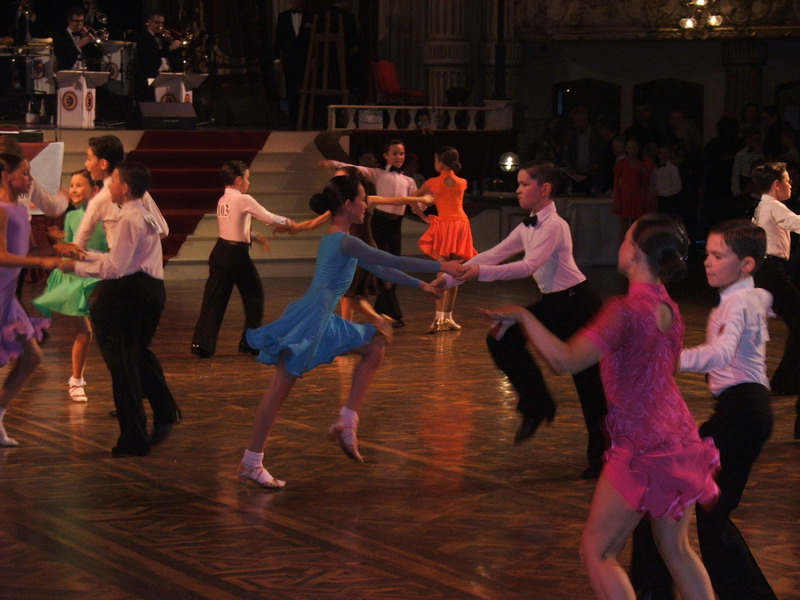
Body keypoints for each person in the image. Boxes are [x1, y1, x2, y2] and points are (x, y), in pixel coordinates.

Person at [481, 213, 719, 600]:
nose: (620, 245)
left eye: (626, 239)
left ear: (636, 252)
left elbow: (564, 361)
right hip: (681, 436)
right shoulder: (670, 308)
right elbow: (666, 367)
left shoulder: (624, 310)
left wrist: (523, 316)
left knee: (598, 551)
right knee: (677, 550)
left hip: (643, 445)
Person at [237, 175, 466, 489]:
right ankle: (251, 461)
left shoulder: (342, 239)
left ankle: (347, 421)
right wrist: (442, 266)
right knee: (278, 391)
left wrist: (421, 285)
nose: (366, 205)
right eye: (362, 199)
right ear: (348, 204)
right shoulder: (345, 240)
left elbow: (381, 268)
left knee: (373, 348)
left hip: (321, 315)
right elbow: (390, 258)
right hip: (312, 318)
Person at [631, 219, 778, 600]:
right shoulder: (747, 298)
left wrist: (672, 360)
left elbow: (722, 352)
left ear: (746, 264)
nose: (708, 262)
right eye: (707, 254)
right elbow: (763, 301)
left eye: (718, 256)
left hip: (741, 413)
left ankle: (652, 587)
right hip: (745, 412)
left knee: (671, 490)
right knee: (702, 509)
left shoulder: (739, 302)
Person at [436, 162, 608, 479]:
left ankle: (603, 458)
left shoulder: (555, 226)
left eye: (524, 184)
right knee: (501, 338)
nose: (517, 190)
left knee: (589, 383)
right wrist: (449, 280)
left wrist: (478, 273)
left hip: (578, 305)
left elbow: (528, 266)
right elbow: (494, 254)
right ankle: (538, 406)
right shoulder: (529, 225)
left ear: (544, 189)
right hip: (554, 302)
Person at [59, 161, 180, 457]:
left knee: (125, 366)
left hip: (132, 293)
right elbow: (123, 259)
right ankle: (164, 412)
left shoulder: (128, 218)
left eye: (113, 182)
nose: (109, 187)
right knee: (135, 355)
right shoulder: (143, 213)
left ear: (124, 188)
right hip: (151, 289)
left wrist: (76, 266)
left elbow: (116, 267)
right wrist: (84, 256)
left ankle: (134, 438)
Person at [191, 160, 297, 359]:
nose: (249, 182)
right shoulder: (243, 199)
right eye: (247, 178)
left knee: (213, 300)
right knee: (254, 297)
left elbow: (231, 227)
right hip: (236, 255)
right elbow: (268, 218)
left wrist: (254, 236)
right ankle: (250, 343)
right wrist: (290, 223)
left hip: (220, 251)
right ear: (238, 180)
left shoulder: (223, 200)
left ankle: (202, 344)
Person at [321, 139, 426, 327]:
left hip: (396, 225)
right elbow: (356, 169)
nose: (399, 157)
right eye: (395, 153)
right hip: (378, 223)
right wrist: (335, 163)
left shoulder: (409, 181)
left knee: (392, 266)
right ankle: (389, 313)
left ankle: (382, 311)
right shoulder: (378, 174)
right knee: (382, 266)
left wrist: (424, 212)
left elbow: (413, 202)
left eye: (401, 153)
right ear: (386, 156)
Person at [0, 154, 64, 447]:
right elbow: (2, 256)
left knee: (33, 357)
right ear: (6, 177)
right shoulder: (1, 210)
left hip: (6, 297)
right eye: (25, 173)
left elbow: (27, 250)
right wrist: (39, 262)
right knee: (32, 356)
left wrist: (57, 248)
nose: (30, 179)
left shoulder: (19, 210)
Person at [32, 169, 106, 403]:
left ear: (95, 190)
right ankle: (76, 380)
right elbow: (71, 247)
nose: (73, 190)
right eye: (71, 185)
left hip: (101, 274)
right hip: (74, 277)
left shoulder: (106, 217)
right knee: (85, 331)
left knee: (102, 331)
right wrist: (60, 241)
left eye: (79, 185)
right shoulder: (72, 216)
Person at [750, 162, 800, 429]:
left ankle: (786, 380)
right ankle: (786, 381)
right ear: (777, 184)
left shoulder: (763, 206)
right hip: (771, 269)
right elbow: (795, 223)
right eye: (788, 181)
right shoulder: (773, 205)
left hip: (767, 268)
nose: (791, 185)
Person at [415, 147, 477, 332]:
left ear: (441, 163)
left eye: (435, 160)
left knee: (443, 272)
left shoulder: (432, 182)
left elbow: (412, 199)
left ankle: (441, 318)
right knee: (455, 272)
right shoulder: (462, 182)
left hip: (445, 225)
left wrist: (424, 217)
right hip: (460, 225)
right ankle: (445, 317)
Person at [273, 0, 313, 129]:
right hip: (289, 60)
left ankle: (307, 119)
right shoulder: (283, 17)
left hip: (306, 61)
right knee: (291, 90)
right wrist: (277, 59)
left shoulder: (310, 16)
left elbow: (313, 39)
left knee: (307, 90)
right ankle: (294, 121)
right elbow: (278, 38)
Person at [134, 11, 182, 102]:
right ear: (149, 22)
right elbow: (150, 55)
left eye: (162, 23)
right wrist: (170, 48)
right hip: (152, 74)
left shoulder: (162, 37)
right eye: (157, 22)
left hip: (167, 74)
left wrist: (171, 41)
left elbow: (174, 54)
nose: (160, 26)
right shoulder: (143, 37)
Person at [613, 136, 655, 226]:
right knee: (623, 224)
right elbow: (616, 183)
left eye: (634, 148)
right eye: (629, 148)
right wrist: (617, 200)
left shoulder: (641, 165)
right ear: (626, 149)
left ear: (638, 149)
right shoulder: (620, 164)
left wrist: (645, 174)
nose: (632, 151)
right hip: (624, 196)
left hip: (637, 197)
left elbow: (646, 183)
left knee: (635, 225)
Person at [52, 6, 102, 71]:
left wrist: (91, 40)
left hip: (85, 71)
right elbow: (63, 58)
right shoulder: (60, 36)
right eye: (77, 21)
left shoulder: (83, 35)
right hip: (67, 71)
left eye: (82, 21)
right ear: (69, 21)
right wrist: (79, 45)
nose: (80, 24)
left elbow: (98, 55)